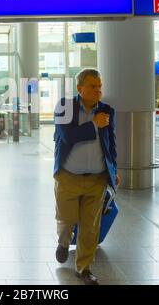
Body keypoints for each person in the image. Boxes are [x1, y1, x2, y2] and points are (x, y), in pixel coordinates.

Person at [53, 68, 120, 285]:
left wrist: (114, 169)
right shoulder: (65, 106)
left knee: (90, 226)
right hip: (68, 177)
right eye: (93, 86)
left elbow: (111, 143)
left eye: (100, 86)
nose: (98, 90)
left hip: (97, 179)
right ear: (79, 88)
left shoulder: (107, 110)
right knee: (66, 220)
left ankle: (83, 268)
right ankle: (64, 243)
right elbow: (67, 136)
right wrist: (93, 124)